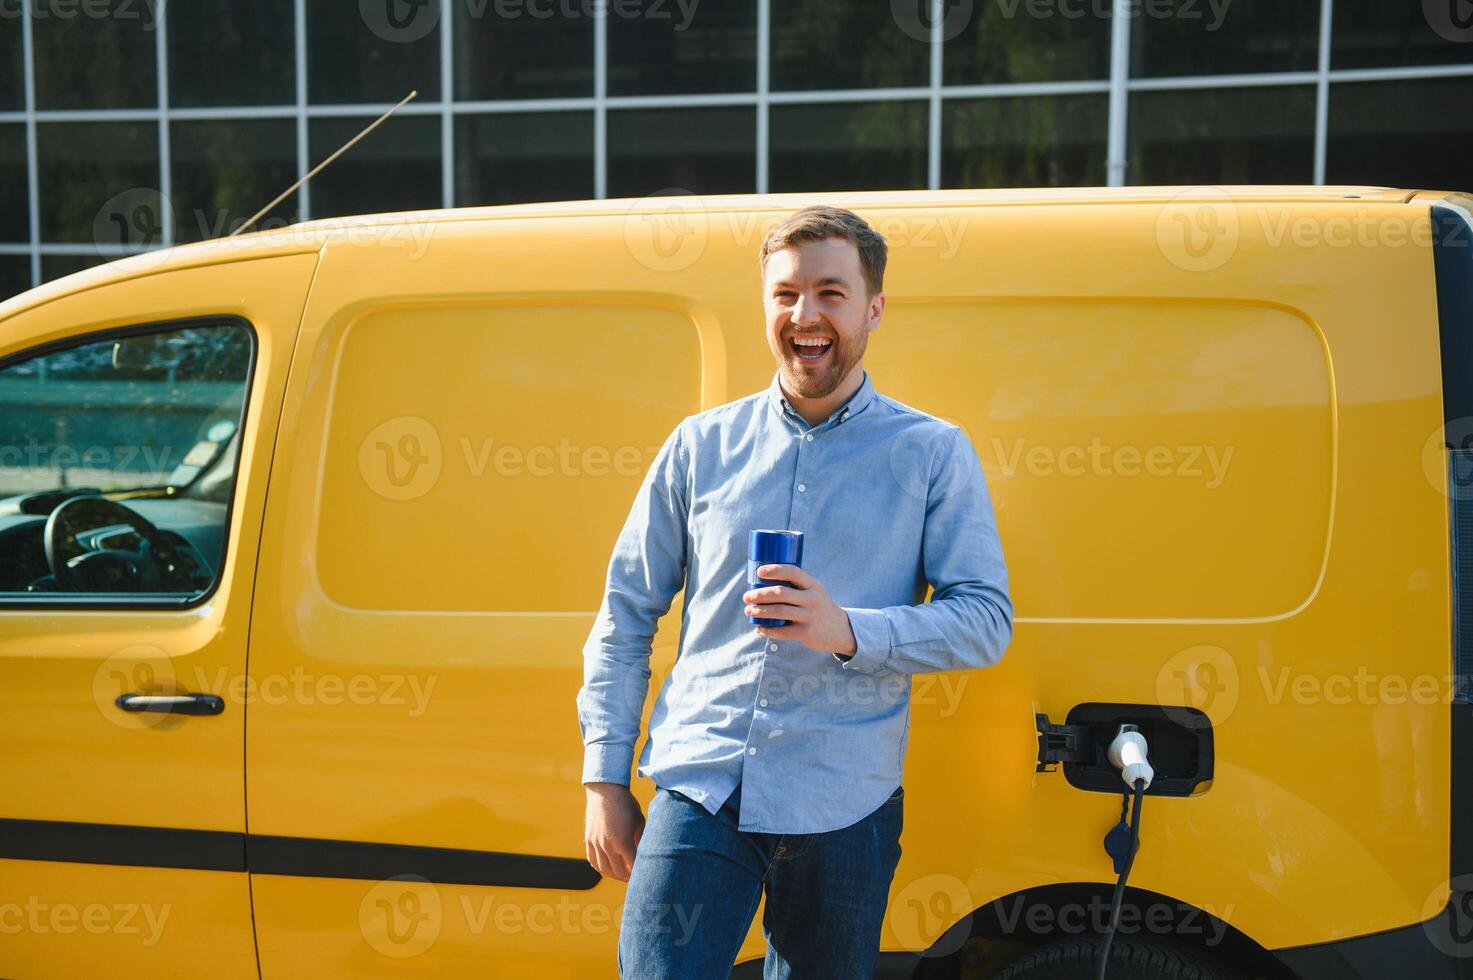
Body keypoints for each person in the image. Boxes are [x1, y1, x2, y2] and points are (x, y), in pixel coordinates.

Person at [577, 204, 1013, 978]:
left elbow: (984, 621)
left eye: (829, 293)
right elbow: (625, 614)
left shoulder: (930, 454)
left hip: (845, 800)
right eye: (784, 294)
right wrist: (605, 780)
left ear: (873, 308)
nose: (804, 315)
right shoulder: (699, 446)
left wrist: (847, 629)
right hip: (701, 785)